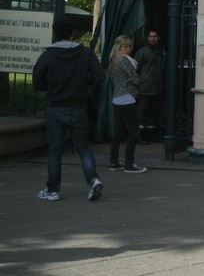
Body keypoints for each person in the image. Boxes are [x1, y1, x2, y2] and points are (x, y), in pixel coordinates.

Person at [33, 17, 106, 201]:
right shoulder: (85, 53)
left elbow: (37, 83)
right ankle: (93, 180)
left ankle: (53, 190)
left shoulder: (48, 55)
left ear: (55, 32)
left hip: (56, 107)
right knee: (83, 147)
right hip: (79, 106)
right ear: (73, 33)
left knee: (54, 150)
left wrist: (52, 86)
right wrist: (84, 83)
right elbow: (99, 77)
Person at [108, 35, 148, 173]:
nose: (128, 49)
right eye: (126, 46)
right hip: (127, 98)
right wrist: (132, 80)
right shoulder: (125, 60)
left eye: (130, 46)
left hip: (116, 98)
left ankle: (114, 161)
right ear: (119, 47)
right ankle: (129, 163)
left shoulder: (113, 60)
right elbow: (136, 79)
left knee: (118, 132)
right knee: (133, 132)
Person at [134, 29, 165, 144]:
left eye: (154, 36)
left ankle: (151, 134)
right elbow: (136, 70)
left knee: (153, 113)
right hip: (145, 87)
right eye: (151, 36)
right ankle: (140, 135)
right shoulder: (142, 53)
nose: (152, 39)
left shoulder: (161, 52)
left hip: (156, 87)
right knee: (141, 112)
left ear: (158, 38)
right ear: (147, 38)